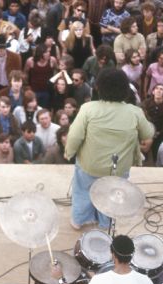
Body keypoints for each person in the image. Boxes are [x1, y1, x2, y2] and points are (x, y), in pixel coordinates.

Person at [65, 68, 154, 229]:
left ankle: (78, 220)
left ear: (98, 87)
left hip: (89, 166)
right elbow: (148, 134)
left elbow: (74, 137)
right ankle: (105, 223)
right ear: (125, 89)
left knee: (83, 191)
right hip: (118, 170)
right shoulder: (135, 112)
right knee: (111, 195)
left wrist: (69, 153)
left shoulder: (88, 109)